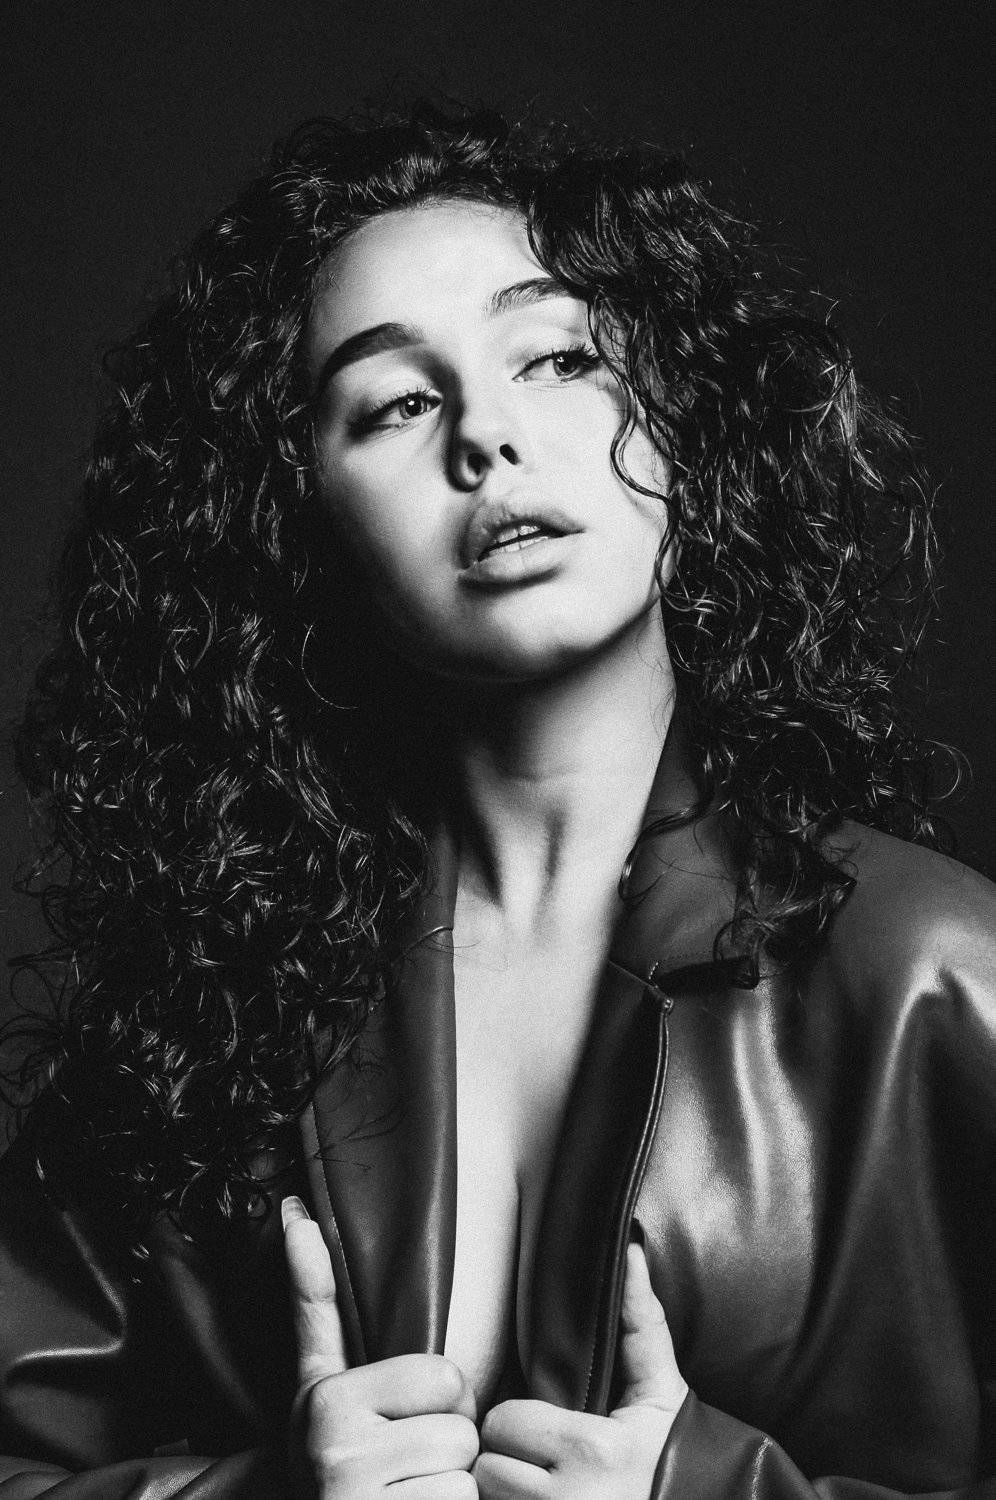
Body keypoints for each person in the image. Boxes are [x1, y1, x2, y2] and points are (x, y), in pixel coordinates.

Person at [0, 103, 992, 1498]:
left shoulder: (934, 973)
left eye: (560, 356)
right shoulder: (210, 1006)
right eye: (397, 404)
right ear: (302, 518)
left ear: (684, 419)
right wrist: (257, 1493)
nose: (488, 436)